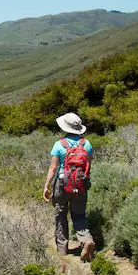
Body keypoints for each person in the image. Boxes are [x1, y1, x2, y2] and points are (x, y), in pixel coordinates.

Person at [43, 112, 96, 262]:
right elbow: (88, 167)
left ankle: (62, 250)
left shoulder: (59, 145)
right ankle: (86, 240)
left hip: (61, 184)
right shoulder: (87, 144)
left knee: (61, 215)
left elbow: (53, 169)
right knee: (79, 215)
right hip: (80, 184)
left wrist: (46, 187)